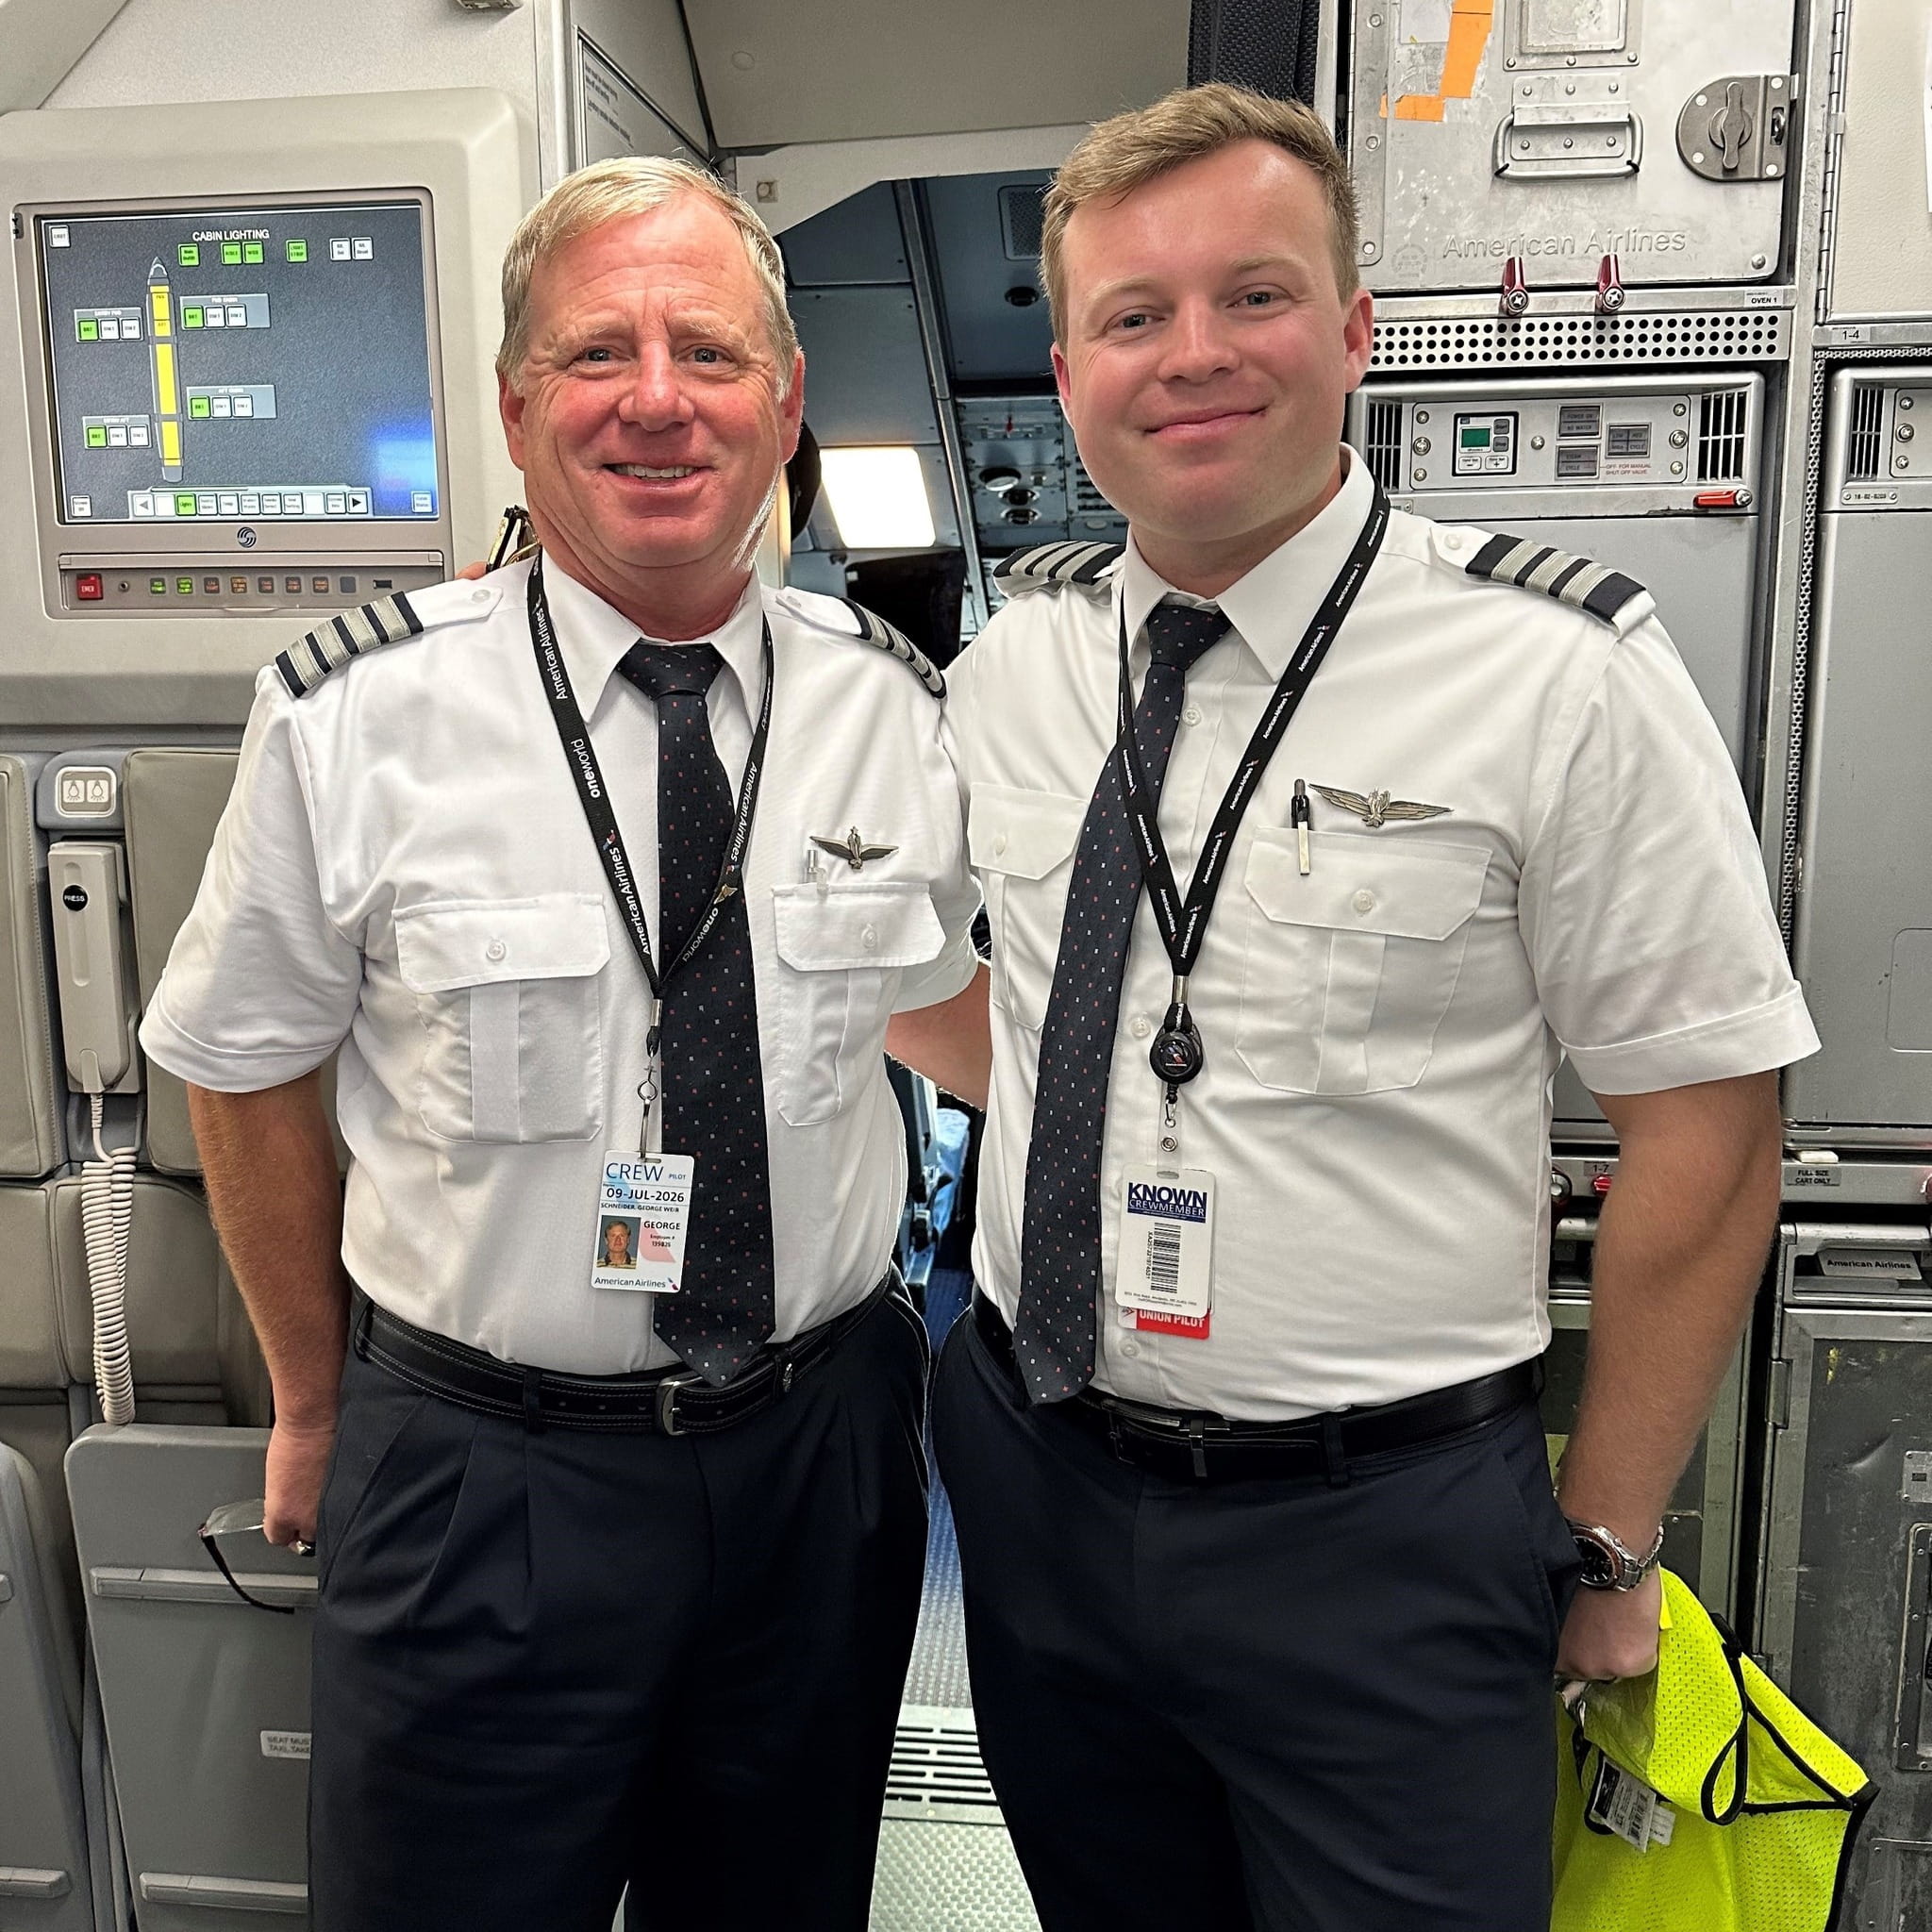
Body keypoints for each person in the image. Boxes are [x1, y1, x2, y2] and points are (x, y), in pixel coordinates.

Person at [887, 83, 1814, 1932]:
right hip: (1037, 1474)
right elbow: (926, 988)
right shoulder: (1013, 665)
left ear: (1355, 333)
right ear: (1067, 371)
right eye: (1132, 317)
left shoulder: (1551, 670)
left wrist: (1610, 1532)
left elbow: (1706, 1130)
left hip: (1377, 1528)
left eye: (1254, 295)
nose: (1192, 356)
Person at [141, 155, 981, 1932]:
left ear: (788, 404)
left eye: (711, 353)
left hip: (814, 1450)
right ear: (520, 413)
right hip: (482, 1474)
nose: (658, 401)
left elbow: (943, 1004)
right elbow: (239, 1059)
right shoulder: (354, 717)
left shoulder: (896, 713)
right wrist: (312, 1396)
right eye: (600, 355)